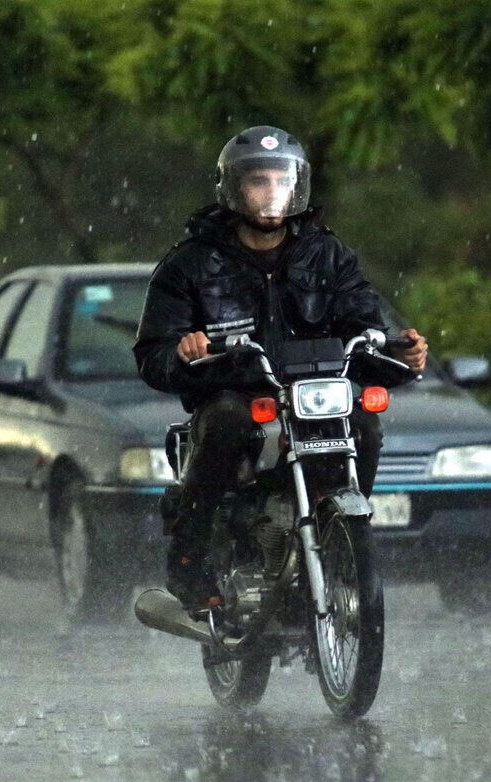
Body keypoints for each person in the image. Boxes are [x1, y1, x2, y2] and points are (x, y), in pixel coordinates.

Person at [133, 125, 427, 615]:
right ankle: (190, 559)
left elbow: (363, 327)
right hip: (239, 394)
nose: (271, 192)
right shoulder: (191, 263)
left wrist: (400, 354)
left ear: (297, 187)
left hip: (314, 394)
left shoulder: (327, 254)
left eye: (280, 180)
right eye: (258, 181)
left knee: (365, 425)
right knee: (227, 418)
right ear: (234, 189)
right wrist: (184, 351)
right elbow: (153, 354)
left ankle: (343, 544)